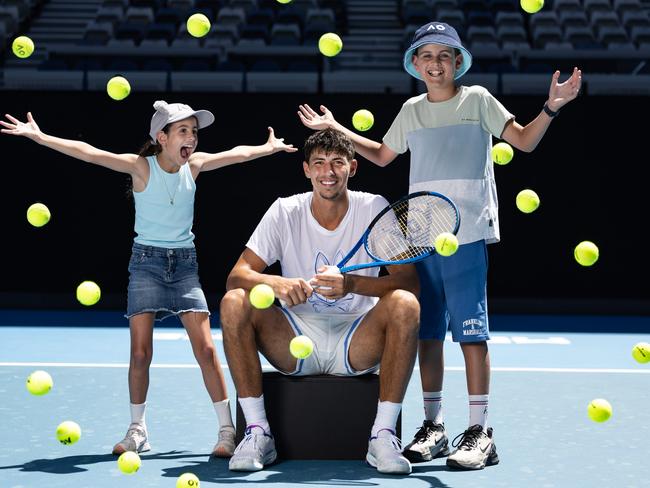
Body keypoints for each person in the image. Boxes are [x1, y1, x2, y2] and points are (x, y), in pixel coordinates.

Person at [298, 22, 582, 470]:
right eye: (426, 56)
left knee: (471, 334)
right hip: (421, 240)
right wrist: (337, 127)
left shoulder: (479, 100)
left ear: (457, 63)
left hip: (466, 235)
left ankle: (480, 431)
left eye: (444, 56)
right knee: (427, 334)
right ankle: (434, 426)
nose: (435, 63)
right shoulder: (411, 110)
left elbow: (524, 141)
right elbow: (382, 155)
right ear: (415, 64)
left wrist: (551, 107)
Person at [1, 100, 297, 457]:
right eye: (184, 131)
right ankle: (137, 430)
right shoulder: (141, 167)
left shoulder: (196, 165)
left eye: (195, 131)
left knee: (205, 349)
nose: (192, 138)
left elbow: (237, 154)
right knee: (140, 354)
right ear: (162, 137)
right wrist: (40, 136)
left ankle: (226, 431)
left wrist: (266, 148)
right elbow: (90, 153)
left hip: (185, 267)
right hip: (146, 265)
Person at [220, 128, 421, 474]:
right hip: (295, 338)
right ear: (306, 170)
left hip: (357, 340)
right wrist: (278, 284)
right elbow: (236, 276)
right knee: (235, 301)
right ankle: (257, 433)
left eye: (337, 163)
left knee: (405, 303)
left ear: (352, 168)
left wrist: (351, 284)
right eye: (319, 163)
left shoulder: (373, 208)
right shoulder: (284, 211)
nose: (328, 172)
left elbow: (408, 283)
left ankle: (382, 436)